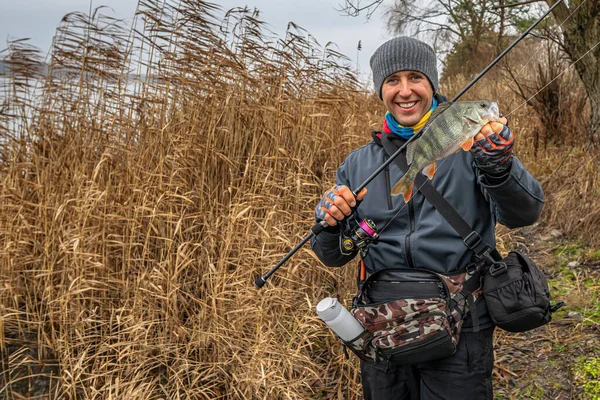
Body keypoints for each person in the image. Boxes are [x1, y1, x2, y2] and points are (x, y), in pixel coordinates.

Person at [310, 37, 544, 400]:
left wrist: (499, 168)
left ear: (432, 83)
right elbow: (332, 255)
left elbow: (525, 213)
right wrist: (328, 223)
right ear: (381, 90)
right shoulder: (358, 164)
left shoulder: (474, 142)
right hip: (383, 327)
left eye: (415, 77)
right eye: (393, 81)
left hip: (462, 327)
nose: (405, 91)